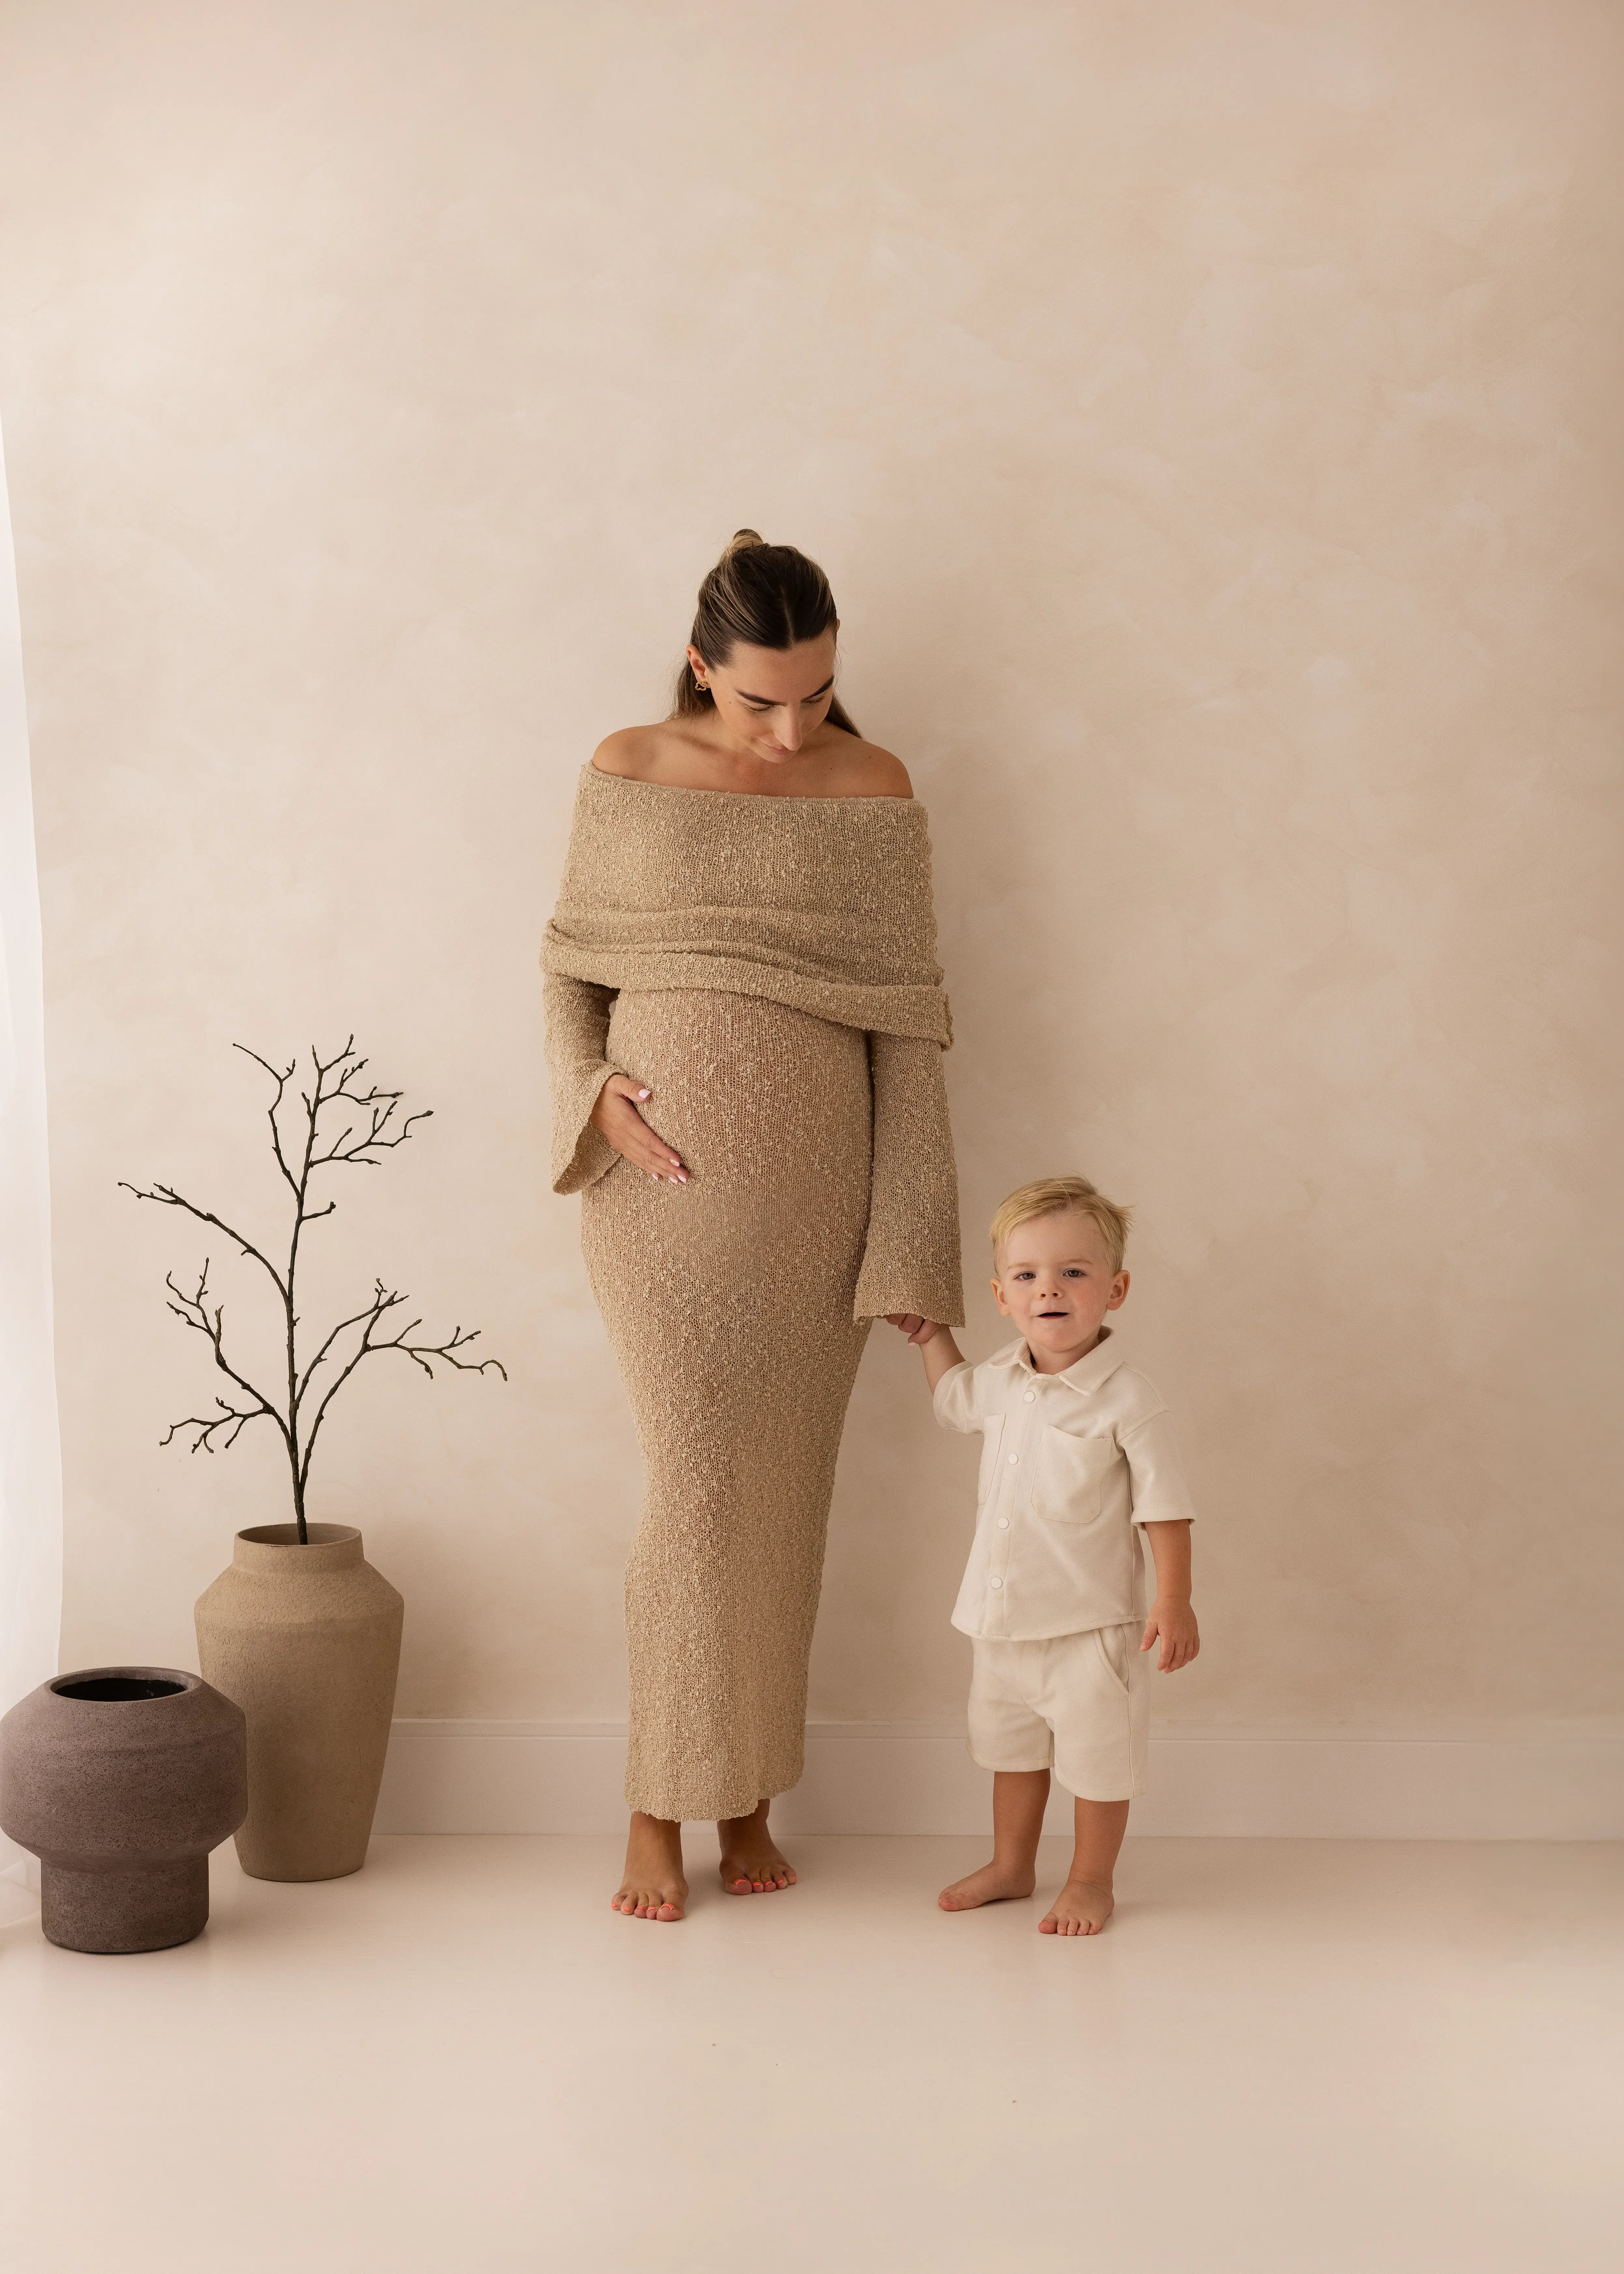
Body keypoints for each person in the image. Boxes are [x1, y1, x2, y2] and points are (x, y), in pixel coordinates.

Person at [542, 531, 963, 1920]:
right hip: (661, 1200)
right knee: (698, 1489)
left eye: (817, 694)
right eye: (757, 700)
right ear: (696, 663)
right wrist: (591, 1091)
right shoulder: (628, 769)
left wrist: (912, 1245)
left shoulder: (873, 784)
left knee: (781, 1496)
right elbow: (569, 972)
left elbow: (906, 1030)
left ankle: (749, 1798)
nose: (791, 732)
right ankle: (655, 1806)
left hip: (818, 1199)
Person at [891, 1175, 1199, 1934]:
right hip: (1001, 1624)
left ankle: (1093, 1879)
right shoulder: (999, 1380)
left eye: (1074, 1272)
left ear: (1116, 1289)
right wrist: (933, 1337)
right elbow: (953, 1398)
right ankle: (1011, 1864)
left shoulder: (1130, 1398)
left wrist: (1174, 1597)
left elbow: (1166, 1507)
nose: (1049, 1290)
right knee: (1012, 1754)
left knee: (1098, 1764)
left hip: (1090, 1629)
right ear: (1002, 1294)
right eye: (1027, 1275)